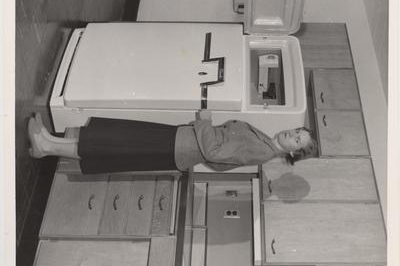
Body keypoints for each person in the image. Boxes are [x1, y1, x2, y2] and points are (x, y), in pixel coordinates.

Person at [27, 111, 317, 173]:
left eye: (296, 139)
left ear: (294, 153)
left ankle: (47, 147)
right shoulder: (264, 142)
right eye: (295, 130)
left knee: (113, 143)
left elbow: (215, 151)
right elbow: (219, 163)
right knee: (113, 140)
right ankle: (49, 140)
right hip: (180, 143)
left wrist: (204, 121)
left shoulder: (262, 150)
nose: (291, 134)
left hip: (179, 146)